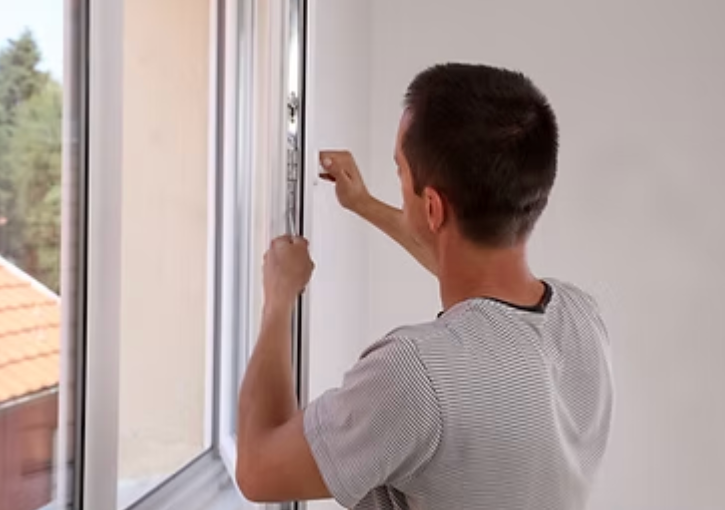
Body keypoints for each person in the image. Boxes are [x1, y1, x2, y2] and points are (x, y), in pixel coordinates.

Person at [236, 63, 614, 510]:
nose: (398, 181)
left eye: (399, 171)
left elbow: (257, 470)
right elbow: (475, 279)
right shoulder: (581, 317)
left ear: (433, 207)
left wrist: (278, 300)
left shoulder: (415, 374)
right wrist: (363, 204)